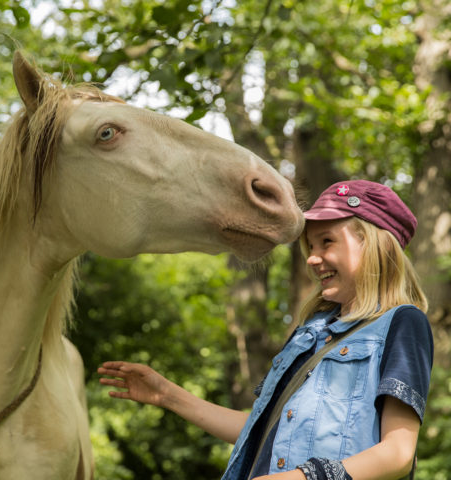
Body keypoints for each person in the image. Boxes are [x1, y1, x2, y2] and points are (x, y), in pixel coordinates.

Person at [98, 180, 433, 480]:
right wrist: (167, 395)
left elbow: (398, 454)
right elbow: (263, 430)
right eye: (311, 248)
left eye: (326, 242)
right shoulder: (311, 331)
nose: (312, 259)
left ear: (375, 245)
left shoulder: (402, 322)